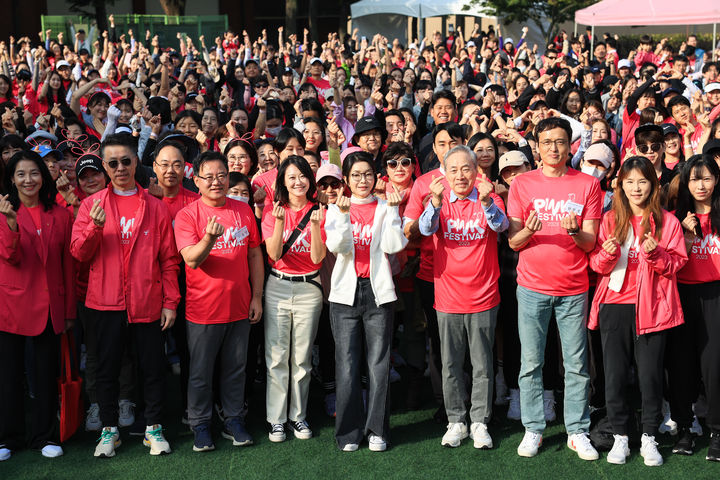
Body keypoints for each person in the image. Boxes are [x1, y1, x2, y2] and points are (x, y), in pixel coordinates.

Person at [70, 134, 180, 458]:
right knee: (105, 369)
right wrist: (92, 227)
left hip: (147, 303)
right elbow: (78, 252)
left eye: (126, 161)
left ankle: (153, 428)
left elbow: (169, 259)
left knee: (152, 368)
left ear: (136, 162)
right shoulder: (92, 205)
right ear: (104, 166)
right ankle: (109, 430)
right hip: (103, 304)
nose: (120, 168)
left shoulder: (156, 207)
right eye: (113, 163)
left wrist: (170, 302)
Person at [507, 117, 602, 460]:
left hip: (574, 288)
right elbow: (514, 243)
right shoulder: (522, 184)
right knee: (530, 362)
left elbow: (590, 243)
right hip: (532, 288)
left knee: (576, 363)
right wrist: (529, 232)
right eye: (547, 142)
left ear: (570, 145)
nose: (554, 148)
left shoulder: (588, 184)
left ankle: (577, 429)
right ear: (537, 146)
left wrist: (576, 231)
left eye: (560, 142)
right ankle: (534, 428)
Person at [588, 156, 686, 466]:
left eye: (642, 181)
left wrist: (655, 252)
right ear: (620, 186)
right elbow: (596, 266)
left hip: (653, 309)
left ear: (653, 184)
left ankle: (649, 437)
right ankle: (620, 436)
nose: (635, 187)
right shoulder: (609, 219)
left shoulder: (667, 222)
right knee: (615, 377)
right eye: (629, 181)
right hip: (614, 307)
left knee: (650, 377)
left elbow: (676, 265)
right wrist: (606, 255)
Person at [418, 145, 508, 449]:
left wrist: (485, 201)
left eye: (465, 168)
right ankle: (456, 420)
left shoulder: (489, 198)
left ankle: (480, 421)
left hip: (483, 296)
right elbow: (424, 227)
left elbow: (501, 225)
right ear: (444, 174)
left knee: (482, 365)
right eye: (453, 169)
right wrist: (434, 201)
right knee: (451, 365)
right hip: (447, 297)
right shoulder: (439, 202)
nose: (459, 175)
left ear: (476, 171)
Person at [174, 151, 264, 452]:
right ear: (196, 180)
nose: (216, 182)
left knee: (236, 368)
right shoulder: (187, 215)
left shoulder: (243, 210)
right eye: (209, 177)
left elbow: (254, 253)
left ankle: (234, 419)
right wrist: (210, 239)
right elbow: (191, 259)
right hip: (203, 311)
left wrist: (257, 296)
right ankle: (200, 424)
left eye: (222, 175)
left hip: (239, 306)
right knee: (200, 372)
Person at [325, 150, 408, 452]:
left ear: (376, 178)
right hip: (345, 295)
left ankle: (377, 430)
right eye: (356, 175)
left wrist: (396, 211)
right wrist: (345, 216)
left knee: (378, 363)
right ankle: (348, 432)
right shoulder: (336, 209)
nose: (363, 180)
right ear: (346, 180)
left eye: (368, 174)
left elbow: (394, 244)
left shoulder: (386, 207)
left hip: (378, 293)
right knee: (346, 365)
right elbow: (338, 247)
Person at [0, 150, 75, 461]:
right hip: (11, 305)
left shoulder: (59, 214)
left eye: (34, 173)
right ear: (12, 179)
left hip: (49, 305)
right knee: (8, 376)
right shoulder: (4, 212)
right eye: (21, 174)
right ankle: (7, 438)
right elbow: (10, 257)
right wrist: (11, 225)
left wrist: (69, 311)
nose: (28, 180)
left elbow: (67, 265)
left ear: (43, 177)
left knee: (45, 375)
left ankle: (45, 435)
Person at [262, 155, 325, 442]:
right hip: (277, 286)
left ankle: (298, 417)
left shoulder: (320, 210)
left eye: (303, 175)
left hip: (309, 288)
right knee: (276, 357)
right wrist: (277, 222)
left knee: (302, 359)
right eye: (291, 177)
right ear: (282, 183)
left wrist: (314, 226)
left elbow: (317, 258)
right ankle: (276, 420)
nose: (298, 181)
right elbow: (273, 254)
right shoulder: (273, 210)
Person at [671, 154, 720, 462]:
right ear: (686, 183)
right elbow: (669, 264)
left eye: (707, 178)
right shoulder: (674, 219)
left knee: (713, 365)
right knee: (681, 364)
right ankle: (685, 428)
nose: (701, 185)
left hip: (716, 294)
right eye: (694, 179)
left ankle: (716, 430)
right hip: (682, 295)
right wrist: (687, 237)